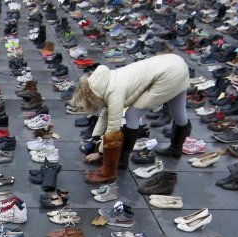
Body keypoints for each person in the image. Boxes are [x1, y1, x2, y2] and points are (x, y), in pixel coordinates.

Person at [72, 53, 191, 184]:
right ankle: (176, 149)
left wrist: (101, 153)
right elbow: (105, 113)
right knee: (179, 113)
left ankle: (119, 162)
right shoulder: (106, 80)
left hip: (169, 73)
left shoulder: (114, 91)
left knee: (132, 115)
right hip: (176, 64)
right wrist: (95, 138)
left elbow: (113, 129)